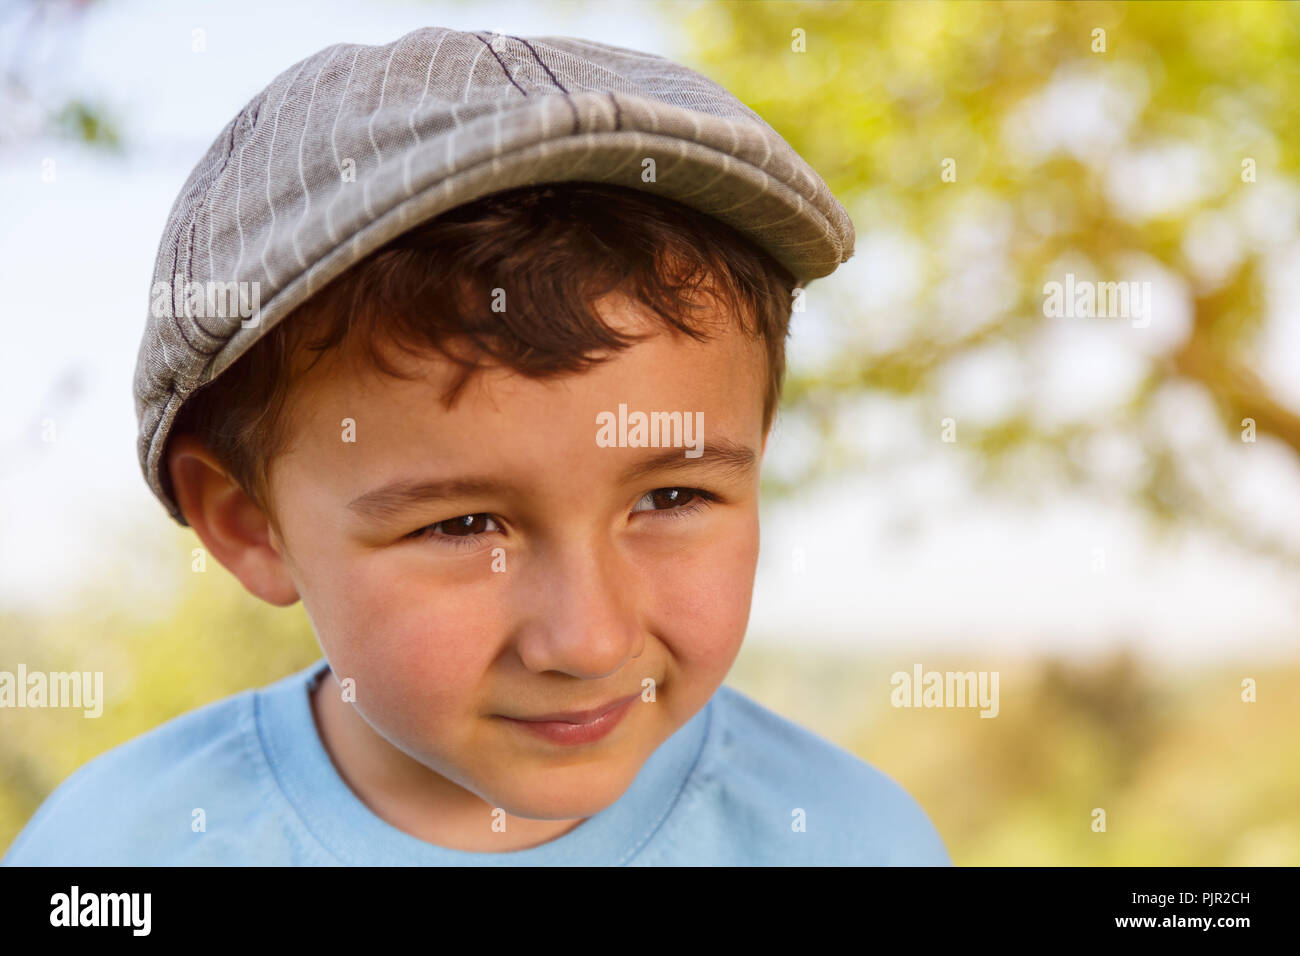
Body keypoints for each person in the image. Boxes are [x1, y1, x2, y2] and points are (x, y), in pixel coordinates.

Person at [2, 26, 950, 866]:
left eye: (671, 499)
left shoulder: (852, 841)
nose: (588, 641)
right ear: (248, 523)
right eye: (462, 524)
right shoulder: (116, 852)